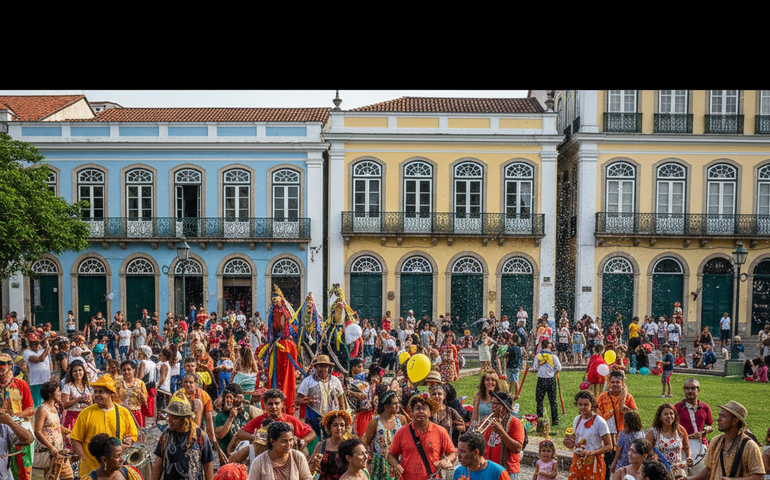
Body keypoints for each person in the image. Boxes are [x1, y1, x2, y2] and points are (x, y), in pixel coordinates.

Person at [70, 374, 138, 478]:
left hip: (114, 471)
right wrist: (84, 459)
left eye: (101, 391)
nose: (96, 394)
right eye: (95, 391)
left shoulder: (123, 412)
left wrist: (129, 439)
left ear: (112, 394)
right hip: (90, 470)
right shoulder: (85, 413)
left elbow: (132, 434)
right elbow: (75, 439)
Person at [684, 400, 765, 480]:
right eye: (719, 415)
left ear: (735, 421)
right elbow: (709, 470)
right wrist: (689, 479)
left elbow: (759, 477)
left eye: (723, 416)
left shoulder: (750, 446)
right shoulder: (715, 441)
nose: (718, 419)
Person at [386, 394, 456, 480]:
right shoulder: (401, 432)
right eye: (418, 408)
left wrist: (447, 460)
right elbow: (391, 455)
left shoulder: (440, 431)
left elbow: (452, 453)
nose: (421, 412)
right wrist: (395, 465)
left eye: (424, 408)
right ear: (411, 412)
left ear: (430, 412)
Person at [151, 399, 215, 480]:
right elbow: (158, 465)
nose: (169, 420)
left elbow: (208, 465)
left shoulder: (200, 436)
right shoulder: (166, 436)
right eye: (169, 416)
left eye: (174, 418)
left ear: (185, 420)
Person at [563, 391, 612, 480]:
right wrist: (568, 442)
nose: (582, 407)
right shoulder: (577, 419)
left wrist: (591, 453)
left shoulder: (599, 422)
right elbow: (576, 441)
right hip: (577, 461)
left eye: (586, 404)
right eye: (580, 404)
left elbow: (609, 446)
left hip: (594, 463)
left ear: (592, 405)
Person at [297, 355, 346, 440]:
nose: (323, 369)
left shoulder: (335, 381)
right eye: (320, 366)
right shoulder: (308, 381)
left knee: (331, 439)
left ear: (329, 368)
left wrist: (342, 415)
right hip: (313, 416)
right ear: (315, 367)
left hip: (331, 415)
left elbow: (341, 400)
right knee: (314, 439)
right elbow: (297, 400)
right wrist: (308, 401)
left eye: (325, 367)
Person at [32, 380, 74, 480]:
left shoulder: (54, 408)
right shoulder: (42, 410)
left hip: (59, 451)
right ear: (51, 394)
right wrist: (51, 448)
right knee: (52, 477)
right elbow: (37, 431)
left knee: (69, 477)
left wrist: (68, 432)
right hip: (49, 452)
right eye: (58, 391)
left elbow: (55, 425)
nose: (60, 394)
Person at [363, 390, 408, 480]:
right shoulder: (375, 422)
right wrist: (368, 458)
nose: (397, 406)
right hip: (380, 465)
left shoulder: (401, 419)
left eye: (398, 403)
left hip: (398, 463)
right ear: (386, 406)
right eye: (394, 403)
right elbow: (366, 443)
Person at [674, 379, 714, 476]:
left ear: (698, 390)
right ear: (684, 390)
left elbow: (710, 425)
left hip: (702, 445)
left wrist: (706, 430)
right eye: (687, 388)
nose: (690, 391)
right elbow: (671, 429)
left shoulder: (705, 407)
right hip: (683, 447)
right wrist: (690, 436)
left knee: (702, 474)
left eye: (693, 388)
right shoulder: (676, 408)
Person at [249, 421, 313, 480]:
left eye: (290, 440)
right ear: (272, 441)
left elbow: (307, 478)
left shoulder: (298, 457)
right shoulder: (259, 462)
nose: (289, 444)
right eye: (284, 441)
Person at [482, 391, 525, 478]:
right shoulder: (489, 421)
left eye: (496, 404)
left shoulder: (515, 423)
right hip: (489, 469)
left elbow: (518, 448)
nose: (493, 406)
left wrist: (501, 432)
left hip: (507, 471)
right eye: (492, 403)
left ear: (504, 406)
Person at [645, 403, 692, 479]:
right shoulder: (653, 432)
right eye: (665, 414)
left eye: (671, 413)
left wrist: (689, 458)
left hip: (678, 469)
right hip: (660, 470)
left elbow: (687, 447)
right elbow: (646, 450)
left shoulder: (680, 430)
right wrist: (653, 456)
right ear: (660, 417)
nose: (669, 416)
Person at [307, 410, 352, 480]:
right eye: (335, 425)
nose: (339, 428)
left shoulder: (350, 445)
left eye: (342, 425)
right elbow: (308, 468)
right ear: (329, 427)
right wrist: (315, 465)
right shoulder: (322, 445)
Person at [531, 339, 562, 426]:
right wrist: (554, 372)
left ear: (541, 346)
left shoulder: (538, 356)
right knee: (553, 400)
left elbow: (535, 367)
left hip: (541, 379)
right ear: (549, 346)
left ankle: (540, 418)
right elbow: (559, 367)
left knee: (539, 400)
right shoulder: (554, 357)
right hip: (551, 379)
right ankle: (555, 419)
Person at [61, 359, 94, 434]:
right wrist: (77, 400)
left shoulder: (87, 386)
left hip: (85, 417)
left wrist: (88, 402)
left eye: (80, 370)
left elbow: (91, 405)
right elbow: (65, 405)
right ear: (72, 373)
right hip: (72, 418)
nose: (78, 372)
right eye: (75, 371)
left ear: (83, 372)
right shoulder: (68, 386)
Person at [428, 384, 465, 450]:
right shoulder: (427, 412)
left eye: (439, 394)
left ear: (444, 396)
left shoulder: (451, 411)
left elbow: (462, 428)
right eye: (434, 394)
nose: (437, 396)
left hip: (448, 447)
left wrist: (460, 428)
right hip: (430, 447)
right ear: (431, 396)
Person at [609, 411, 645, 475]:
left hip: (623, 465)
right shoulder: (642, 433)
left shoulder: (623, 434)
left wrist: (614, 463)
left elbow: (618, 451)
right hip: (636, 464)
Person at [22, 332, 51, 408]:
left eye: (38, 343)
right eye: (35, 344)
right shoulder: (26, 353)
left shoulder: (41, 351)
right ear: (30, 344)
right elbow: (40, 359)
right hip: (35, 382)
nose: (38, 345)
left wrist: (46, 342)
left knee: (46, 404)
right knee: (36, 405)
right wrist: (47, 348)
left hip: (46, 381)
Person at [117, 360, 148, 428]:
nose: (126, 372)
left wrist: (139, 393)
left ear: (133, 370)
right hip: (122, 414)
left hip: (136, 413)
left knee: (138, 435)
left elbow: (145, 402)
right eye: (124, 370)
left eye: (129, 369)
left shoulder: (140, 383)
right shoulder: (118, 384)